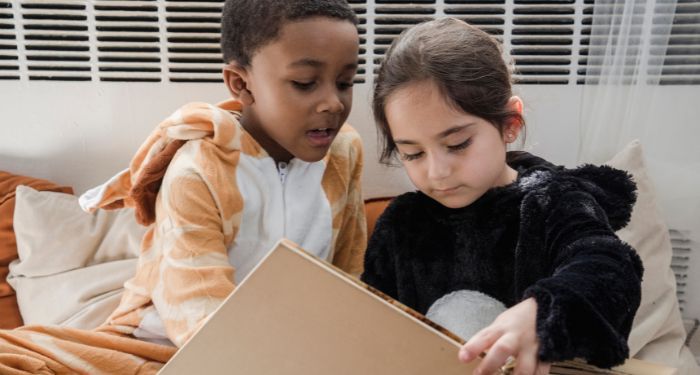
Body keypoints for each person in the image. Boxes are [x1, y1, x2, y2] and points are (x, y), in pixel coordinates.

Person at [0, 1, 366, 373]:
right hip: (161, 342)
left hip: (283, 344)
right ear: (241, 84)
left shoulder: (344, 152)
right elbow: (196, 311)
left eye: (345, 82)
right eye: (305, 84)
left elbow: (347, 274)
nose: (333, 103)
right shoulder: (200, 167)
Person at [361, 17, 643, 375]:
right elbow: (374, 327)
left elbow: (610, 269)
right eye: (413, 154)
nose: (436, 172)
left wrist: (545, 309)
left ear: (510, 123)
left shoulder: (552, 202)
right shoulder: (401, 225)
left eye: (457, 144)